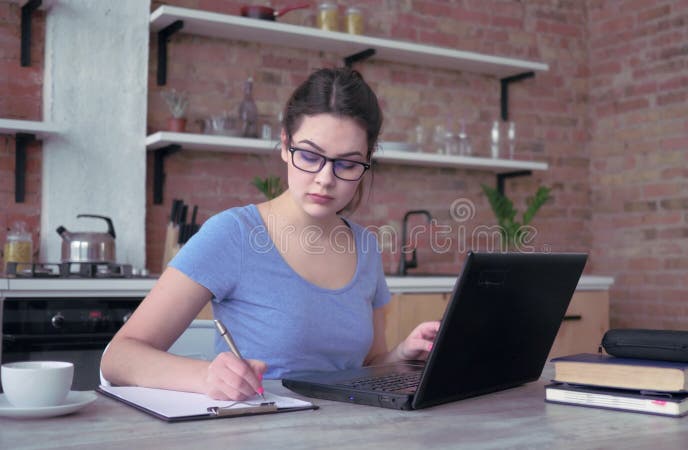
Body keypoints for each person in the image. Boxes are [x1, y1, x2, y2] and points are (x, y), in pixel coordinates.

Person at [100, 67, 440, 400]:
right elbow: (119, 357)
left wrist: (400, 357)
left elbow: (365, 364)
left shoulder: (365, 246)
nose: (325, 178)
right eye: (309, 156)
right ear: (284, 145)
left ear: (367, 160)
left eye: (347, 164)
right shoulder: (233, 233)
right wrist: (205, 376)